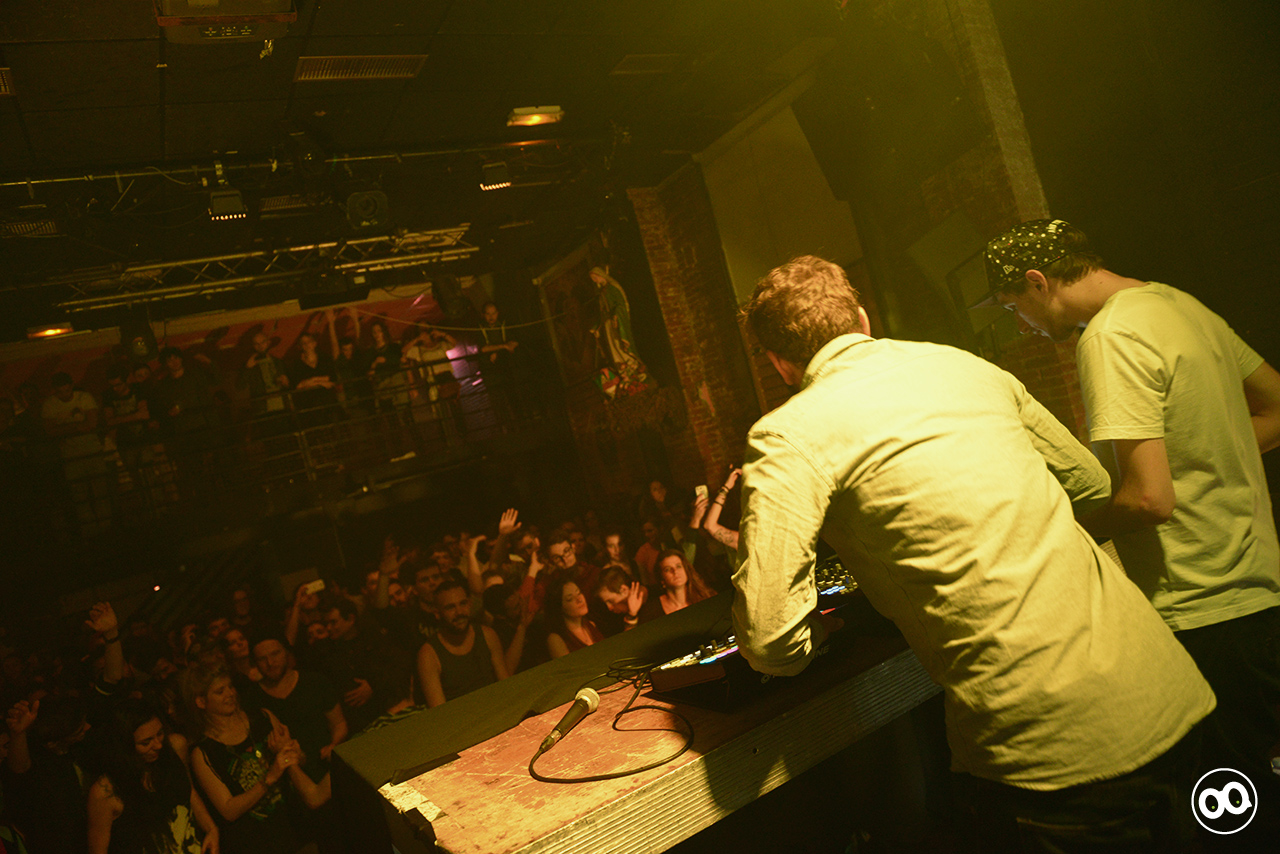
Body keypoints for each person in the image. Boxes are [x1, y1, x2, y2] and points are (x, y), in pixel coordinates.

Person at [734, 254, 1216, 851]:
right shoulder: (965, 366)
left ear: (779, 362)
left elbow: (771, 641)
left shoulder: (787, 435)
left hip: (1052, 757)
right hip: (1172, 693)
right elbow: (1092, 487)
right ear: (860, 318)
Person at [983, 219, 1280, 810]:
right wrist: (1201, 451)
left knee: (1233, 813)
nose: (1020, 325)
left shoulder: (1109, 336)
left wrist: (1064, 527)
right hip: (1260, 593)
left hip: (1200, 607)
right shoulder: (1179, 305)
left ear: (1038, 282)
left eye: (1015, 308)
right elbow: (1275, 408)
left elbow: (1149, 499)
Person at [184, 664, 324, 854]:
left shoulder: (263, 716)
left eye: (230, 687)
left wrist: (297, 755)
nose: (230, 694)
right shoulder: (203, 753)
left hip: (298, 829)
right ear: (201, 702)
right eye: (220, 691)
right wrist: (269, 778)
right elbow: (228, 810)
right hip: (258, 843)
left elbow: (299, 761)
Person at [85, 699, 218, 854]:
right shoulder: (105, 792)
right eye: (146, 742)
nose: (158, 745)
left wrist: (211, 829)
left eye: (160, 734)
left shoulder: (175, 747)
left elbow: (189, 792)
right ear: (125, 745)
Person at [415, 581, 508, 707]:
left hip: (499, 709)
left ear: (469, 604)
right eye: (450, 607)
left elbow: (506, 685)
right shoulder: (429, 654)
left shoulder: (487, 635)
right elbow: (439, 710)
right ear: (437, 613)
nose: (459, 612)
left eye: (463, 604)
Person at [637, 549, 713, 623]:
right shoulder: (651, 610)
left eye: (678, 566)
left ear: (686, 570)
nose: (675, 571)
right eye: (667, 569)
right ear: (662, 579)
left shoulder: (705, 597)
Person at [544, 578, 603, 659]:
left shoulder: (591, 625)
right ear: (560, 607)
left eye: (579, 593)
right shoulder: (556, 639)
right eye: (570, 599)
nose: (579, 599)